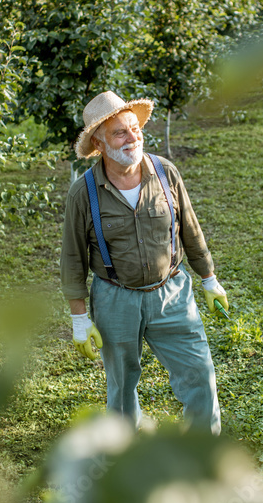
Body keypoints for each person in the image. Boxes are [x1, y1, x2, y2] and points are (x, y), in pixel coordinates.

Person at [60, 90, 229, 435]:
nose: (132, 137)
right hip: (115, 298)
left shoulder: (165, 173)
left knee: (199, 372)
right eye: (119, 132)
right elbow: (73, 258)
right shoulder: (84, 192)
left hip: (172, 293)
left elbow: (190, 230)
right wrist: (79, 318)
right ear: (99, 142)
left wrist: (209, 278)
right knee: (121, 388)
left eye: (135, 128)